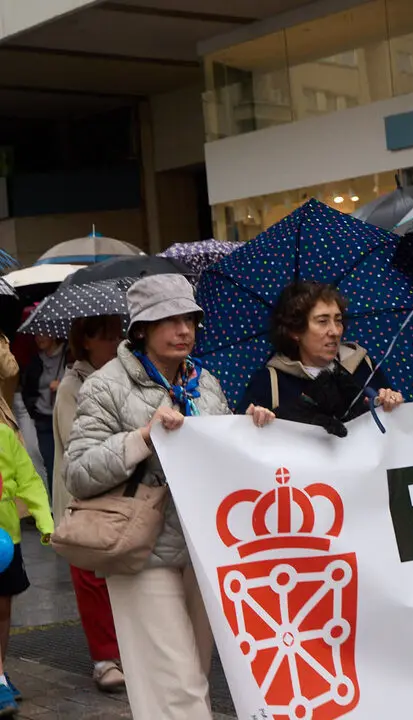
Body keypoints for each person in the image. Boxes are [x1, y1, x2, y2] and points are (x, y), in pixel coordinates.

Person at [65, 274, 276, 720]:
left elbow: (223, 458)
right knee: (178, 688)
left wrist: (252, 428)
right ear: (141, 328)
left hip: (205, 549)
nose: (184, 330)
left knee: (193, 677)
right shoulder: (106, 386)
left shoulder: (206, 383)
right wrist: (142, 437)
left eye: (190, 319)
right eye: (169, 319)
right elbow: (78, 473)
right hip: (143, 550)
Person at [52, 315, 127, 693]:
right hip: (84, 498)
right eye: (107, 337)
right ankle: (105, 658)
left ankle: (122, 650)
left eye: (119, 335)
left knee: (117, 577)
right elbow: (76, 444)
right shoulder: (73, 386)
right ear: (86, 342)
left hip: (118, 494)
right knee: (91, 580)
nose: (116, 343)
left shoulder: (119, 378)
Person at [239, 281, 403, 436]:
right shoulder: (269, 382)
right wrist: (253, 420)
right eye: (323, 321)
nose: (335, 331)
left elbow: (394, 430)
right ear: (295, 331)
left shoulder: (362, 365)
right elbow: (239, 440)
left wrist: (391, 401)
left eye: (338, 321)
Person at [0, 415, 54, 714]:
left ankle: (1, 672)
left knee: (3, 609)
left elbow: (29, 480)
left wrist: (45, 522)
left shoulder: (5, 436)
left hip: (6, 542)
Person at [20, 334, 64, 486]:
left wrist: (62, 385)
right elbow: (28, 390)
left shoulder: (68, 356)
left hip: (63, 418)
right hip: (43, 420)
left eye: (44, 333)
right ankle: (52, 507)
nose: (39, 338)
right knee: (49, 463)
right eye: (37, 335)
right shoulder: (36, 361)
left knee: (66, 464)